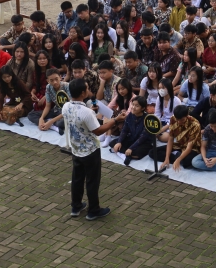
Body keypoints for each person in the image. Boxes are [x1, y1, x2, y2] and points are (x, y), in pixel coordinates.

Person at [62, 78, 115, 220]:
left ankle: (76, 206)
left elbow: (78, 116)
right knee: (92, 181)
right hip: (90, 151)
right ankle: (94, 210)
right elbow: (98, 131)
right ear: (82, 93)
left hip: (76, 149)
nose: (88, 90)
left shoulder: (66, 106)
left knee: (77, 178)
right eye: (86, 88)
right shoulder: (87, 112)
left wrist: (91, 112)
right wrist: (115, 120)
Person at [156, 104, 202, 172]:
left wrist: (178, 159)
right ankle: (176, 157)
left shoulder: (195, 125)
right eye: (177, 119)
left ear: (187, 115)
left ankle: (177, 158)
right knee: (153, 152)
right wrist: (167, 157)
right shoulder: (173, 118)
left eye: (182, 120)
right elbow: (170, 139)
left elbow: (189, 147)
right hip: (179, 145)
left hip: (192, 148)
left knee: (187, 161)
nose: (179, 122)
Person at [110, 95, 154, 165]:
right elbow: (124, 130)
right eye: (133, 104)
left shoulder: (147, 119)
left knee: (137, 153)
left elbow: (142, 137)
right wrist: (119, 142)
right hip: (132, 138)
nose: (133, 107)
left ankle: (124, 153)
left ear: (143, 108)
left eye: (137, 106)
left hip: (144, 142)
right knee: (113, 143)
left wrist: (131, 148)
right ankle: (127, 155)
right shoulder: (130, 115)